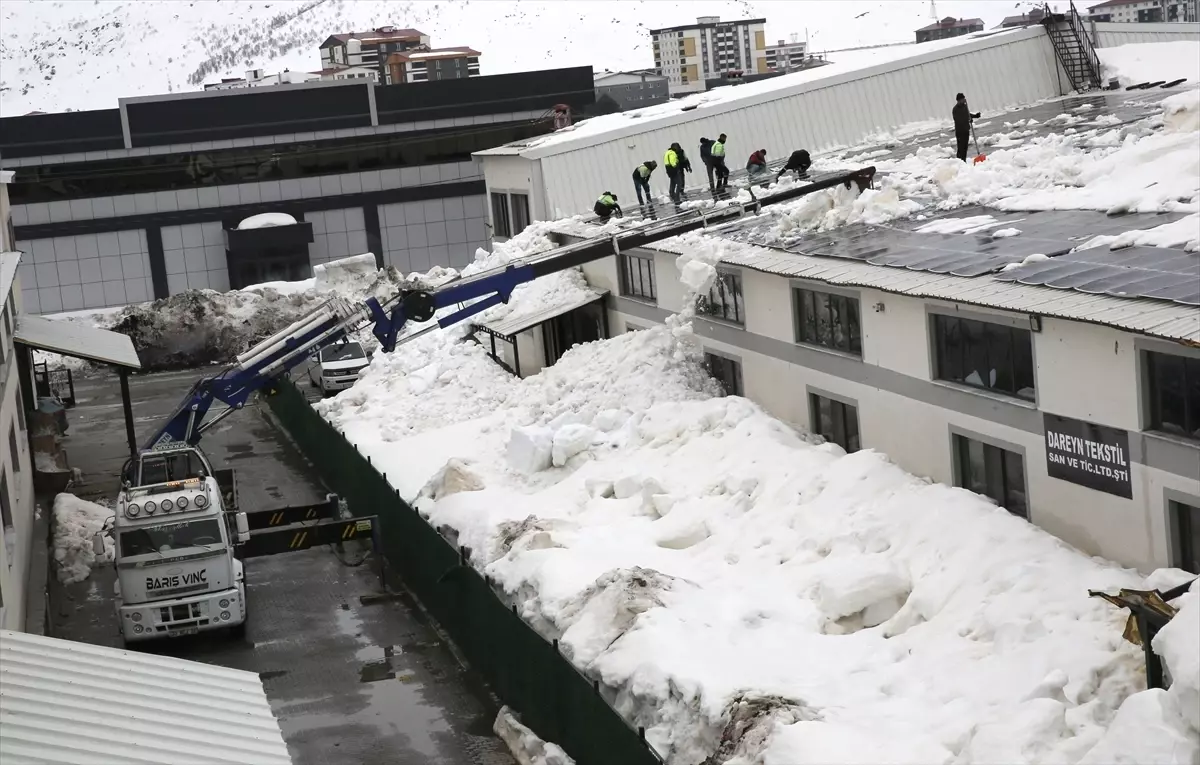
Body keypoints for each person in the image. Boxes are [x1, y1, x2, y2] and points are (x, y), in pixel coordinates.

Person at [952, 92, 981, 162]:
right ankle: (960, 162)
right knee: (961, 148)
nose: (964, 99)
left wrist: (975, 116)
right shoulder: (955, 109)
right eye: (962, 99)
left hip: (966, 130)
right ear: (958, 100)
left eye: (964, 98)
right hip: (960, 131)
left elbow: (968, 114)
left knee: (965, 147)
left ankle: (963, 161)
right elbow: (958, 120)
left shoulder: (964, 106)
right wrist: (968, 120)